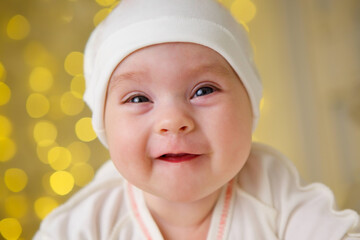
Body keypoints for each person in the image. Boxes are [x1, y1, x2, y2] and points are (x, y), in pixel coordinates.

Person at [34, 0, 360, 239]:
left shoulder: (272, 188)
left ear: (251, 103)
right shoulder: (87, 224)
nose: (173, 120)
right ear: (103, 125)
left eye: (203, 90)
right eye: (138, 98)